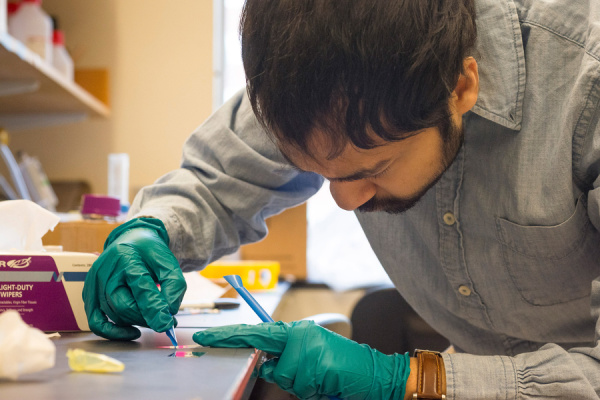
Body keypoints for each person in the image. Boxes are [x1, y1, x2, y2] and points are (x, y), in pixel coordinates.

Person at [82, 0, 600, 398]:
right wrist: (152, 231)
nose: (345, 202)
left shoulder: (586, 83)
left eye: (373, 169)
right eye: (316, 168)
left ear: (461, 85)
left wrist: (413, 380)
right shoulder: (315, 73)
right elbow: (214, 185)